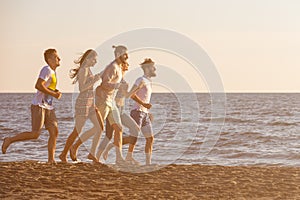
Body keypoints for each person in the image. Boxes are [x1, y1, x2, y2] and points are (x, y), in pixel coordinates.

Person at [1, 48, 62, 164]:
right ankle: (9, 140)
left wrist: (55, 91)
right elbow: (38, 85)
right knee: (35, 134)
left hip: (48, 106)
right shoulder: (46, 69)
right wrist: (54, 93)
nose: (59, 59)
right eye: (56, 57)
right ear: (49, 60)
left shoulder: (53, 72)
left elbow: (46, 87)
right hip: (39, 105)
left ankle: (51, 160)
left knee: (54, 131)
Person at [71, 45, 129, 164]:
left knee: (118, 129)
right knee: (97, 128)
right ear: (118, 55)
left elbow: (116, 82)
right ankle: (76, 146)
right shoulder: (112, 67)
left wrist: (123, 84)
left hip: (111, 101)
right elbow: (104, 84)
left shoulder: (119, 67)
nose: (127, 56)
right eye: (125, 54)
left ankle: (119, 158)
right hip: (103, 100)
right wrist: (117, 86)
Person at [102, 58, 156, 165]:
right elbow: (131, 95)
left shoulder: (148, 81)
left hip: (144, 113)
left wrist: (146, 111)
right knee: (133, 136)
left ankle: (148, 164)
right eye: (153, 67)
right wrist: (143, 105)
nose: (154, 69)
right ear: (147, 68)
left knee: (150, 138)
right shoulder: (140, 80)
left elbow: (144, 97)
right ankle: (121, 151)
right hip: (137, 112)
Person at [58, 49, 103, 163]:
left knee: (100, 127)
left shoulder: (88, 69)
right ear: (88, 59)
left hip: (90, 103)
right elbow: (82, 88)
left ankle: (90, 153)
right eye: (94, 59)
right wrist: (95, 80)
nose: (95, 62)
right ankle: (64, 154)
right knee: (77, 130)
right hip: (83, 103)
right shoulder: (83, 70)